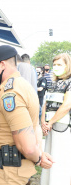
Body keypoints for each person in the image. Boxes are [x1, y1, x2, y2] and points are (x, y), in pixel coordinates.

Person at [0, 45, 54, 185]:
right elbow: (33, 125)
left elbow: (28, 147)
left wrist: (38, 158)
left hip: (10, 173)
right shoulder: (23, 85)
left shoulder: (10, 94)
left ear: (2, 65)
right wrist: (39, 152)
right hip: (14, 168)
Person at [41, 53, 71, 185]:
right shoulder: (52, 82)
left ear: (67, 65)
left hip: (62, 129)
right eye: (54, 64)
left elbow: (67, 105)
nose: (56, 67)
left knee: (60, 160)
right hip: (50, 129)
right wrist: (43, 122)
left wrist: (50, 122)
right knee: (49, 157)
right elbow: (45, 103)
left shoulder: (69, 82)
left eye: (60, 64)